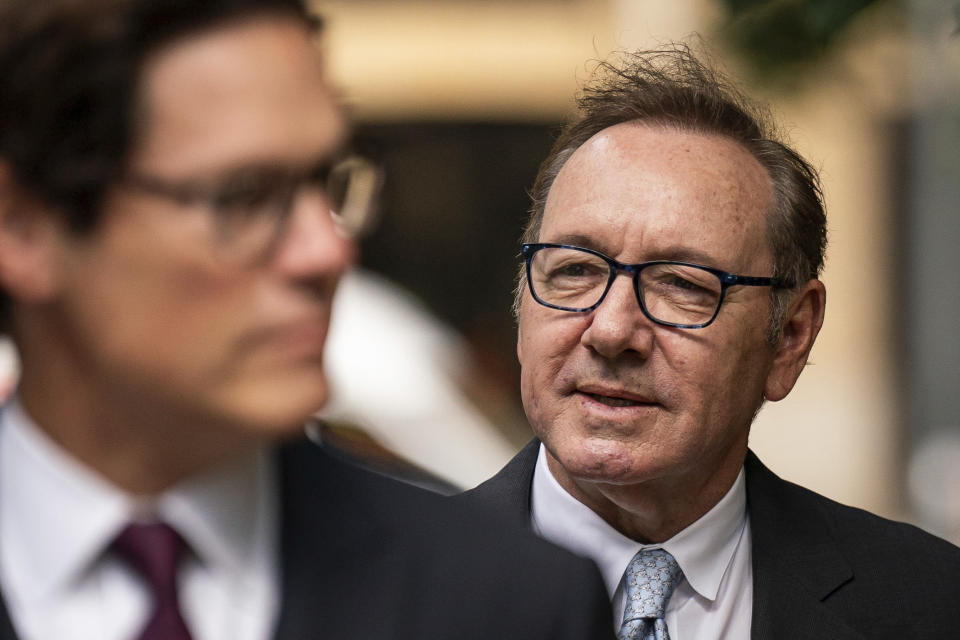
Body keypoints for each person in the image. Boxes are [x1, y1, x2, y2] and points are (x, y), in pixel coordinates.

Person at [0, 2, 615, 639]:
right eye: (242, 198)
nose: (328, 249)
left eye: (326, 181)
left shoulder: (510, 604)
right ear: (23, 225)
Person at [461, 46, 960, 639]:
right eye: (575, 271)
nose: (613, 330)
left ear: (790, 338)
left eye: (681, 284)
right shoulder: (372, 592)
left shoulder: (931, 606)